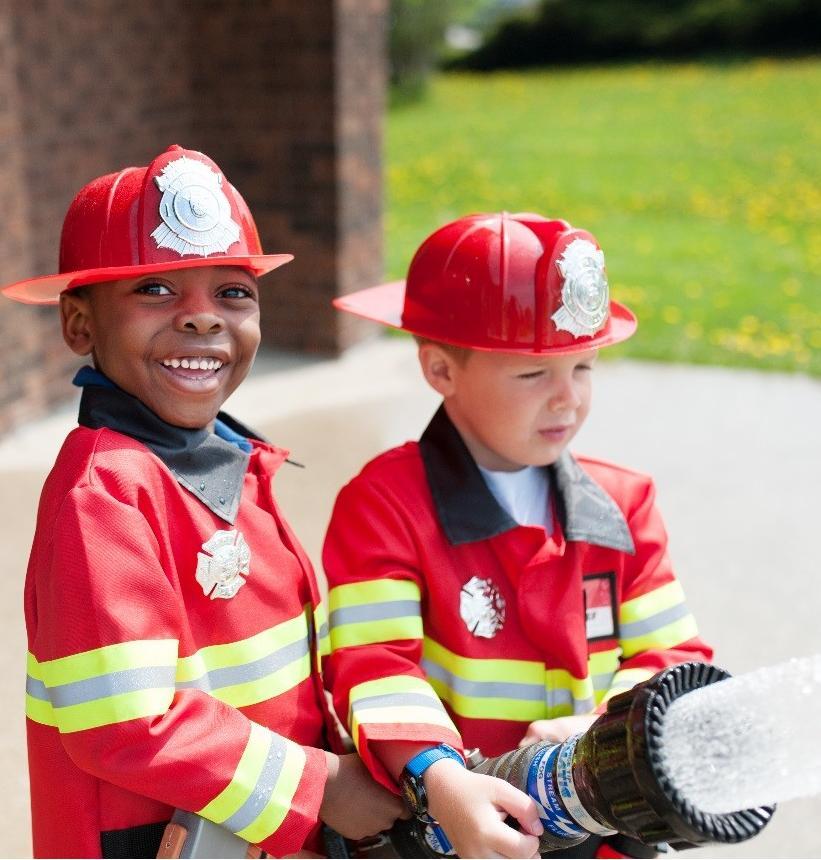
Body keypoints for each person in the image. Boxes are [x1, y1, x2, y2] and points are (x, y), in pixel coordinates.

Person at [4, 145, 404, 859]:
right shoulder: (106, 494)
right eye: (155, 290)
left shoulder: (230, 462)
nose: (201, 319)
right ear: (78, 325)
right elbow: (126, 723)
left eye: (233, 292)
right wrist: (319, 788)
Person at [322, 212, 714, 858]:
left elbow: (673, 659)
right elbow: (375, 668)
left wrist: (600, 731)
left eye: (583, 368)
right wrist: (443, 783)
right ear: (440, 371)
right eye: (533, 376)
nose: (567, 400)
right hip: (458, 831)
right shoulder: (383, 506)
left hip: (604, 828)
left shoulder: (624, 504)